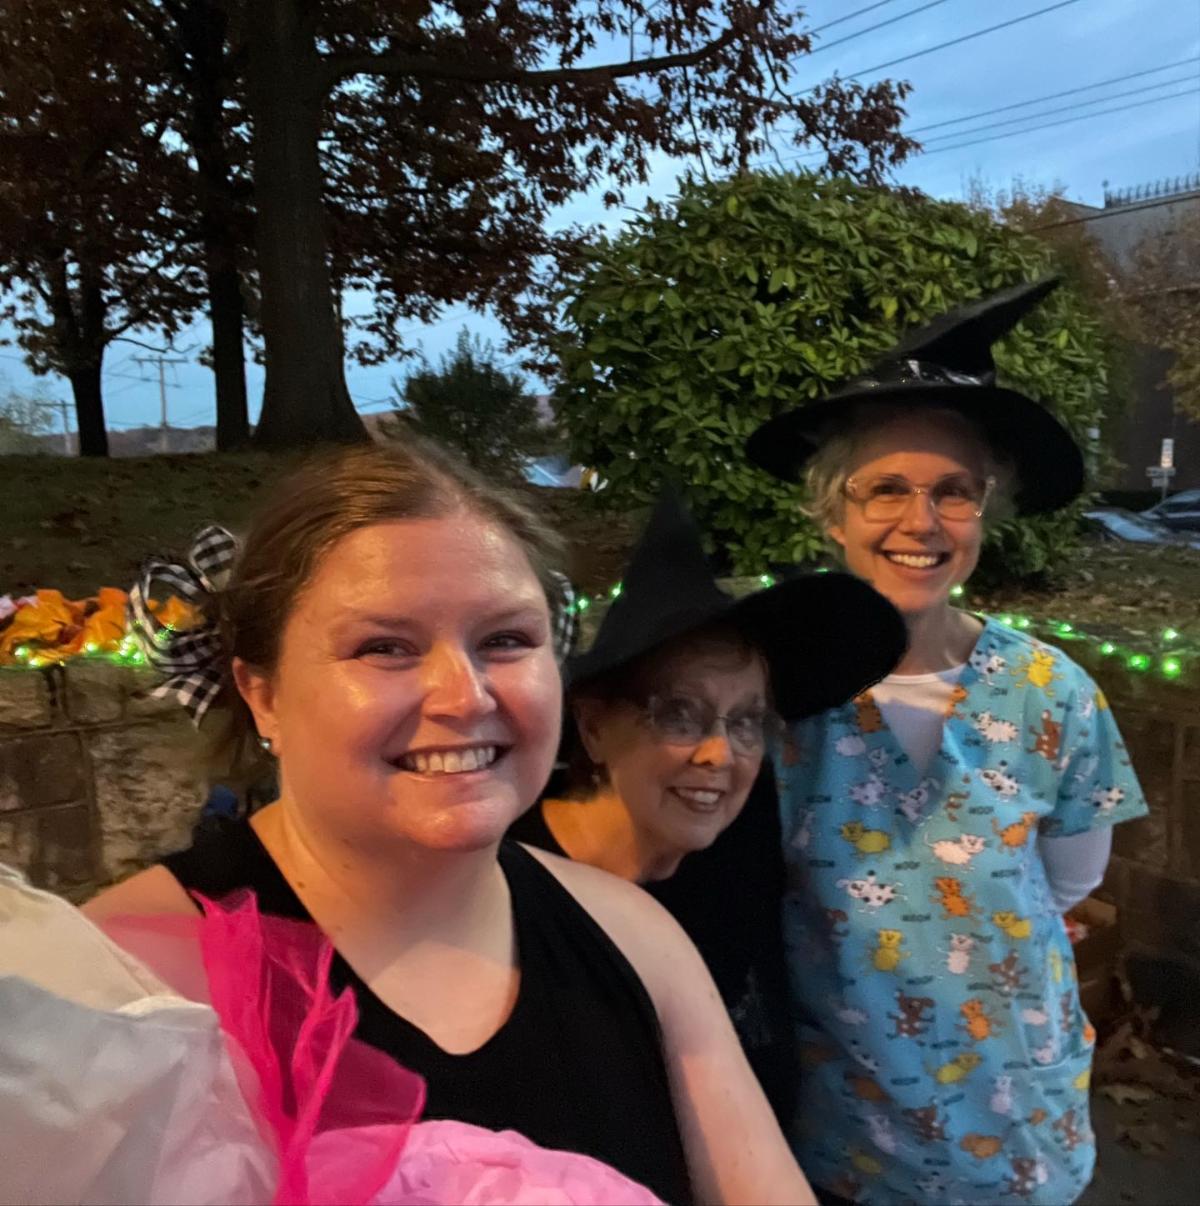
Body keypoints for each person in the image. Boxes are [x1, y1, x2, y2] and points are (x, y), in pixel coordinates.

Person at [83, 442, 815, 1206]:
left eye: (505, 640)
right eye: (385, 648)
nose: (465, 696)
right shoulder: (123, 986)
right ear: (263, 695)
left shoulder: (636, 942)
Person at [746, 279, 1149, 1205]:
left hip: (1019, 1133)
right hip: (843, 1143)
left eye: (953, 493)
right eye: (884, 489)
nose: (920, 522)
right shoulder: (770, 695)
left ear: (985, 513)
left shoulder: (1052, 692)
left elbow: (1067, 886)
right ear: (832, 513)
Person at [510, 489, 906, 1119]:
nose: (720, 754)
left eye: (746, 722)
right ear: (593, 727)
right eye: (679, 715)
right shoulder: (511, 890)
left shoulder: (745, 835)